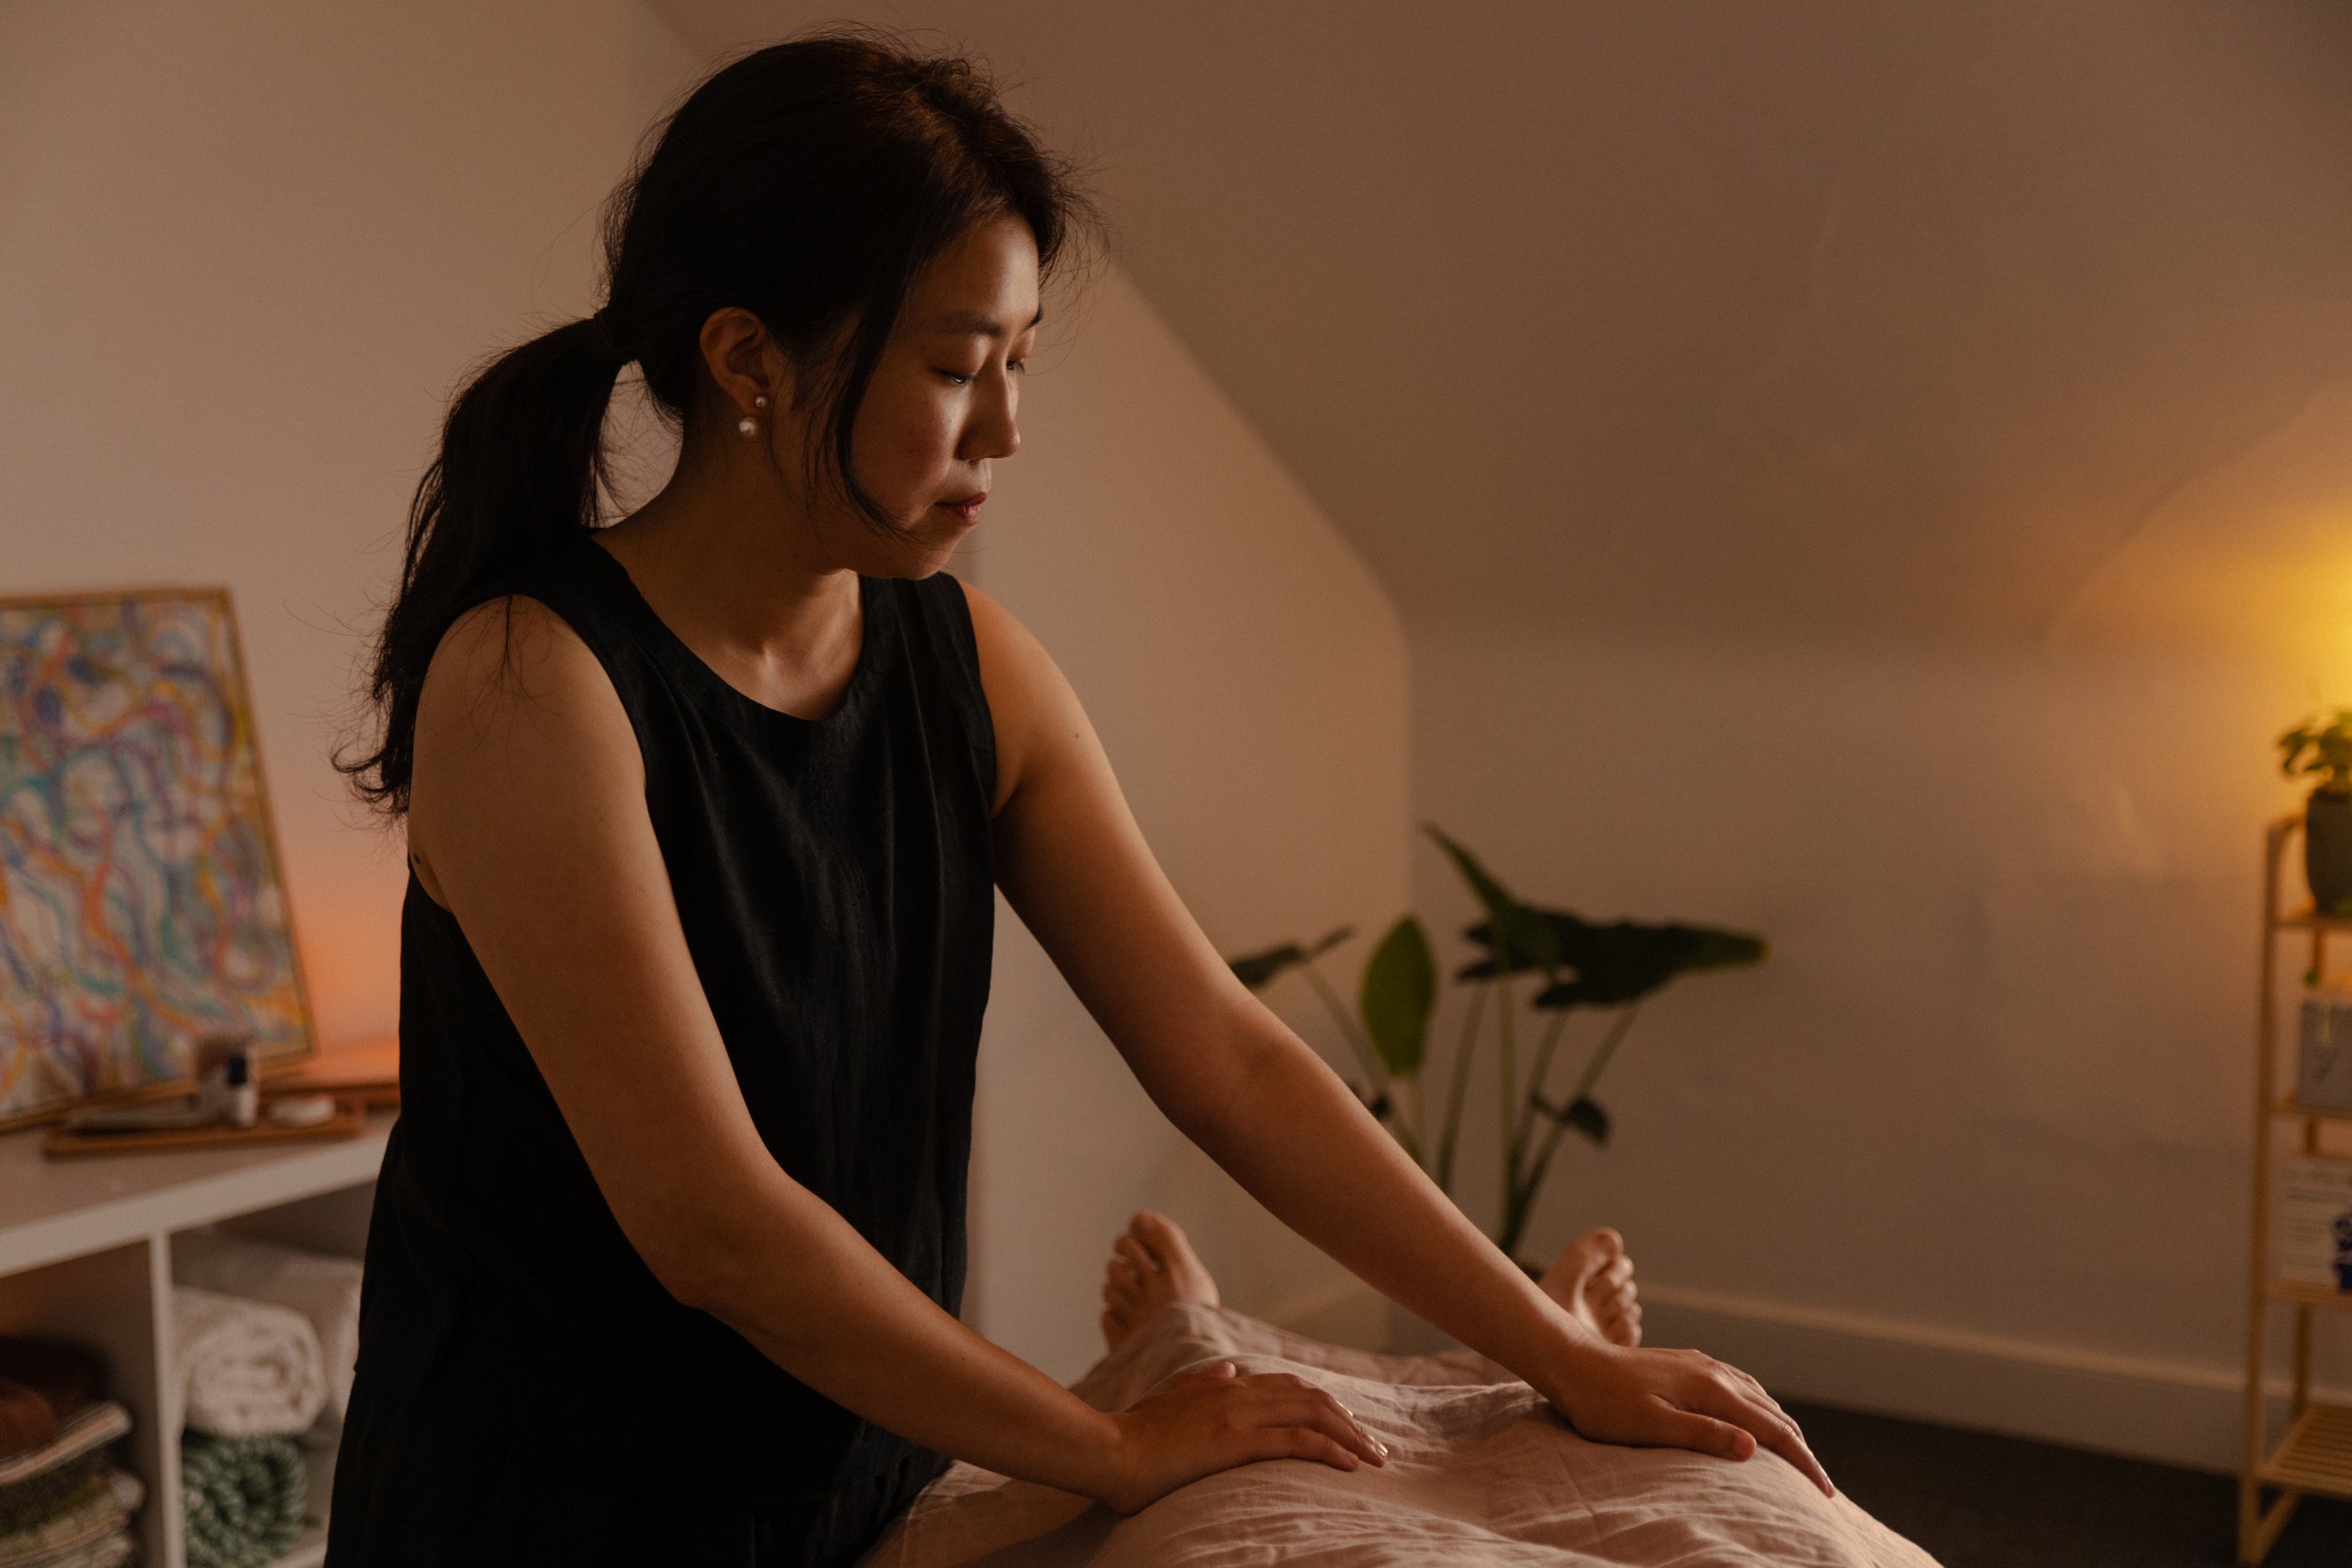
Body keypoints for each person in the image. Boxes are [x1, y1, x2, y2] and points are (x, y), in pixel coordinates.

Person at [326, 26, 1827, 1568]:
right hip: (557, 1520)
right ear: (750, 361)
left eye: (1019, 365)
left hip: (863, 1485)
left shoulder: (971, 664)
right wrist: (1114, 1444)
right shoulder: (530, 685)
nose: (1004, 430)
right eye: (955, 367)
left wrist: (1560, 1360)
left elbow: (1228, 1064)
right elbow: (712, 1223)